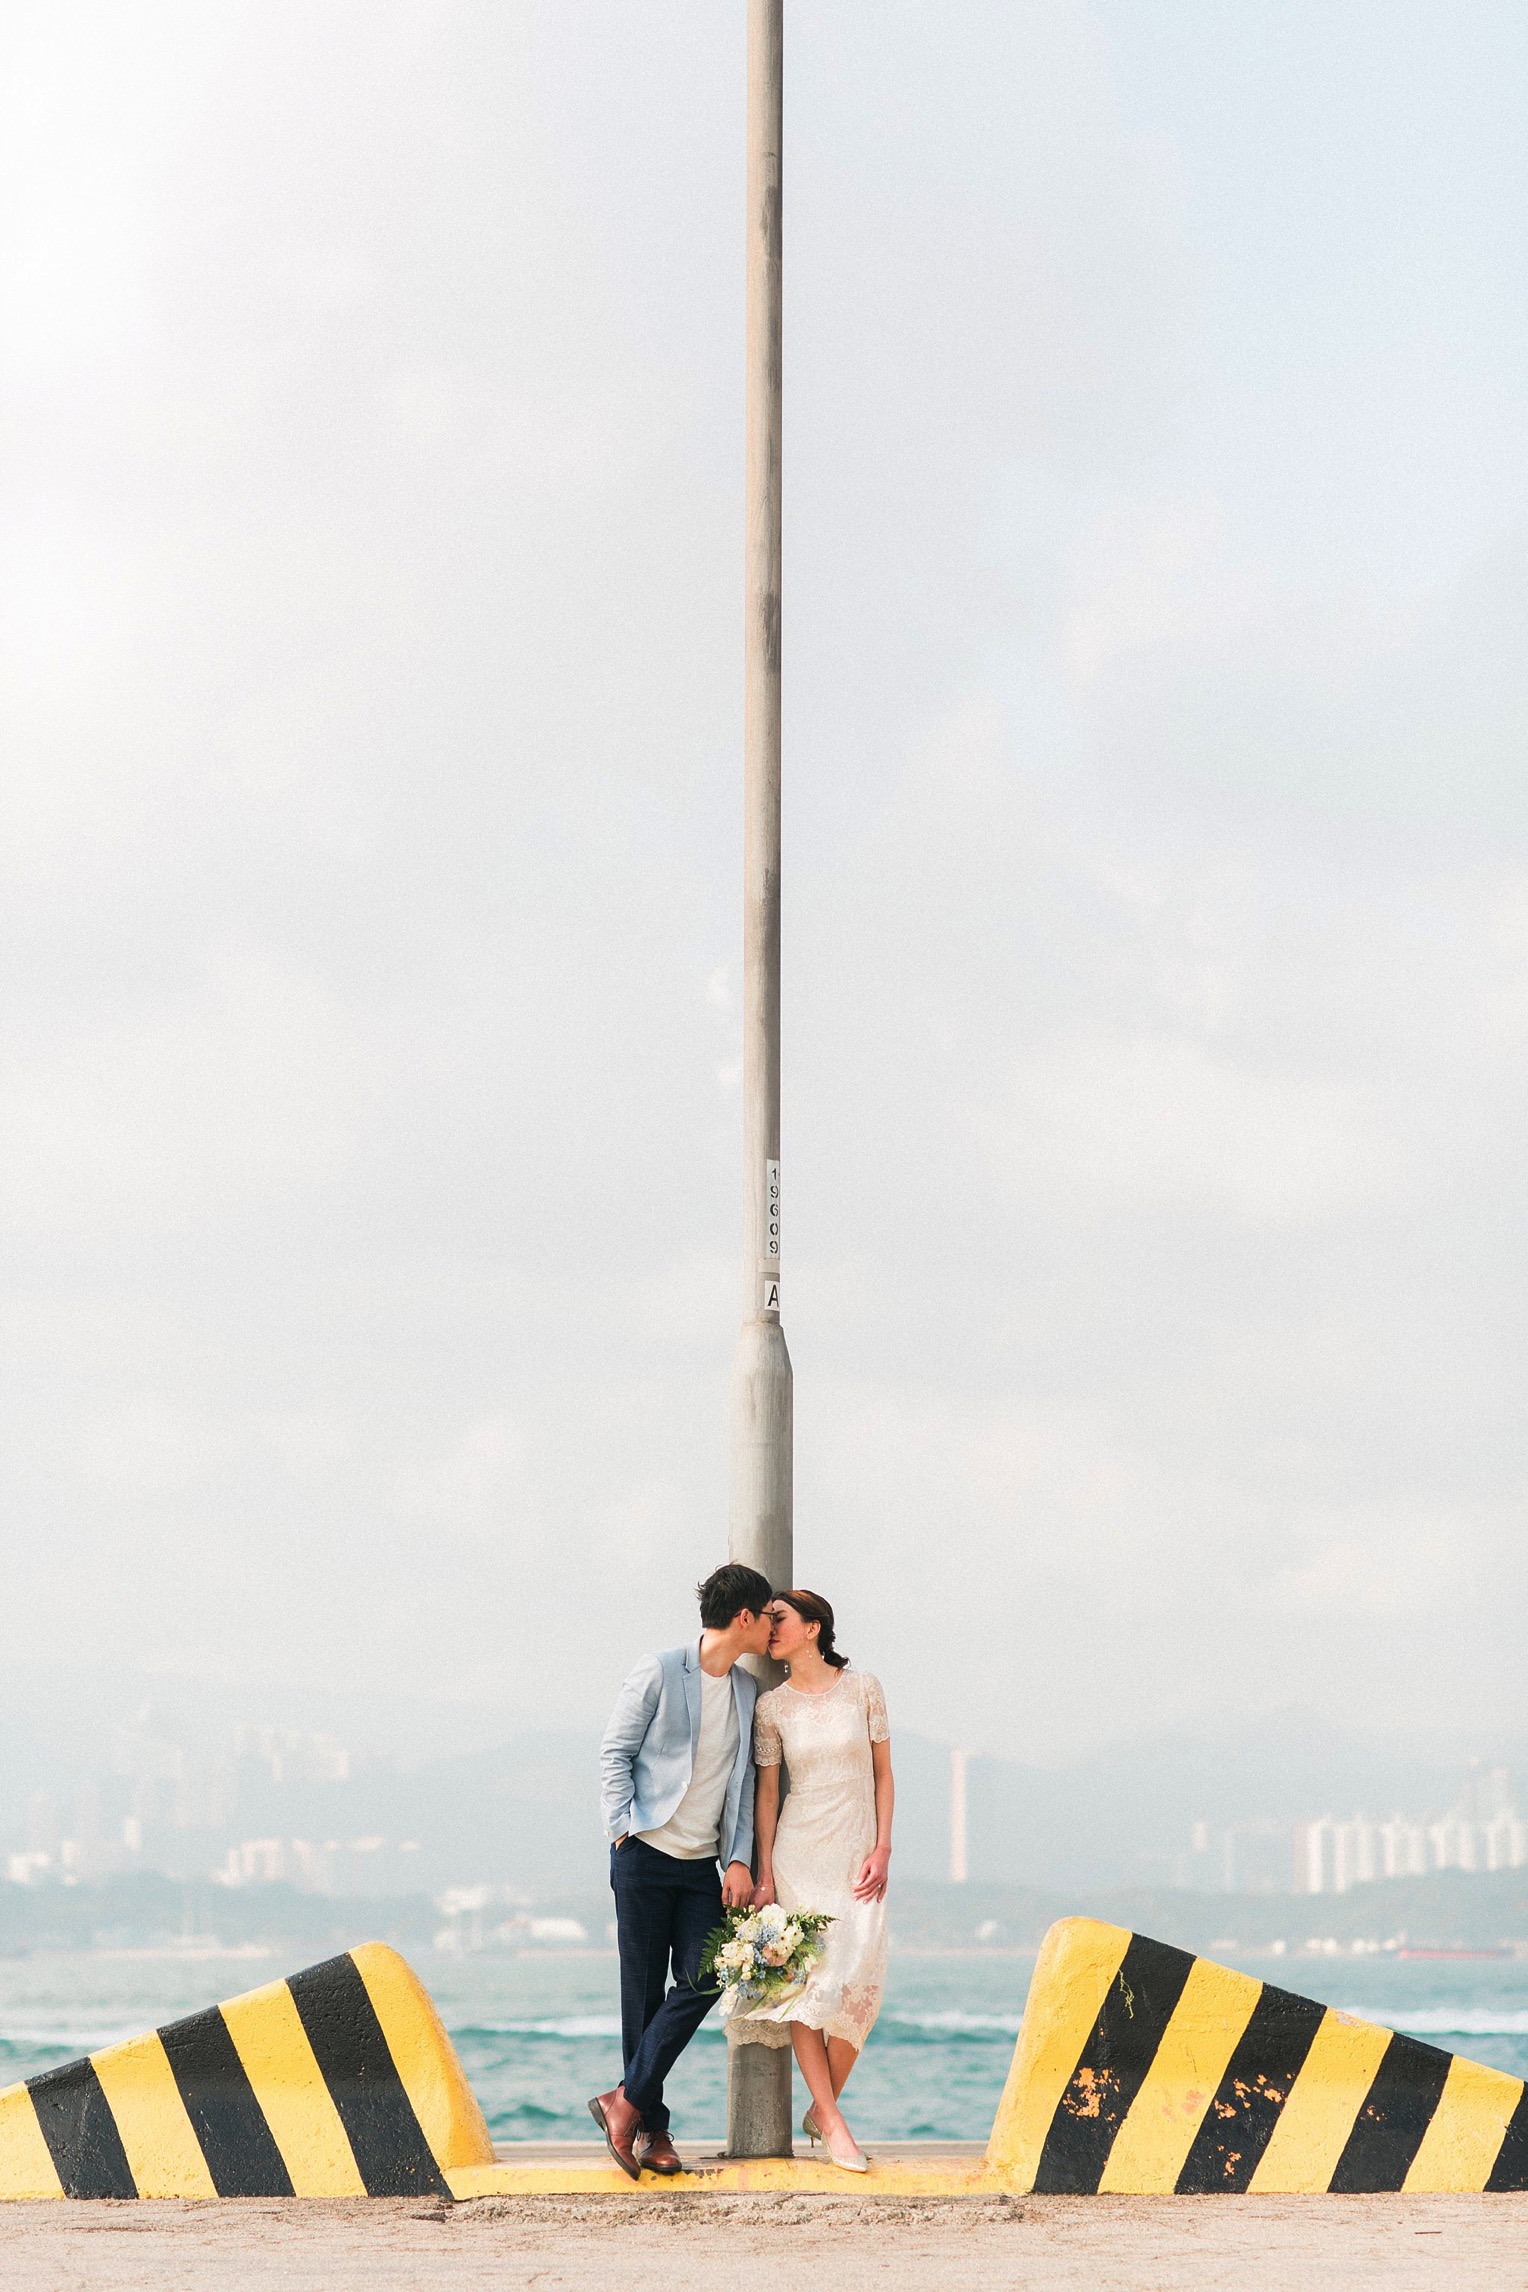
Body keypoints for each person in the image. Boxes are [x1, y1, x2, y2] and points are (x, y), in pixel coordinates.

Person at [590, 1561, 774, 2178]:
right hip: (644, 1855)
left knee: (705, 1976)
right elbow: (615, 1751)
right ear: (743, 1618)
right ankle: (654, 2131)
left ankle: (624, 2100)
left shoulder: (748, 1691)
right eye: (767, 1615)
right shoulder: (662, 1670)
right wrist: (622, 1831)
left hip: (703, 1866)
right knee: (640, 1997)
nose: (772, 1626)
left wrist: (741, 1857)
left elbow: (744, 1786)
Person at [732, 1588, 894, 2173]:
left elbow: (883, 1773)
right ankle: (830, 2117)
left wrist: (882, 1847)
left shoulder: (864, 1688)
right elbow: (769, 1795)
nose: (769, 1629)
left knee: (860, 1984)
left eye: (780, 1619)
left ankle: (825, 2109)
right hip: (799, 1857)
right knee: (808, 1989)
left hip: (856, 1854)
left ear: (813, 1627)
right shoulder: (771, 1707)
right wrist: (767, 1872)